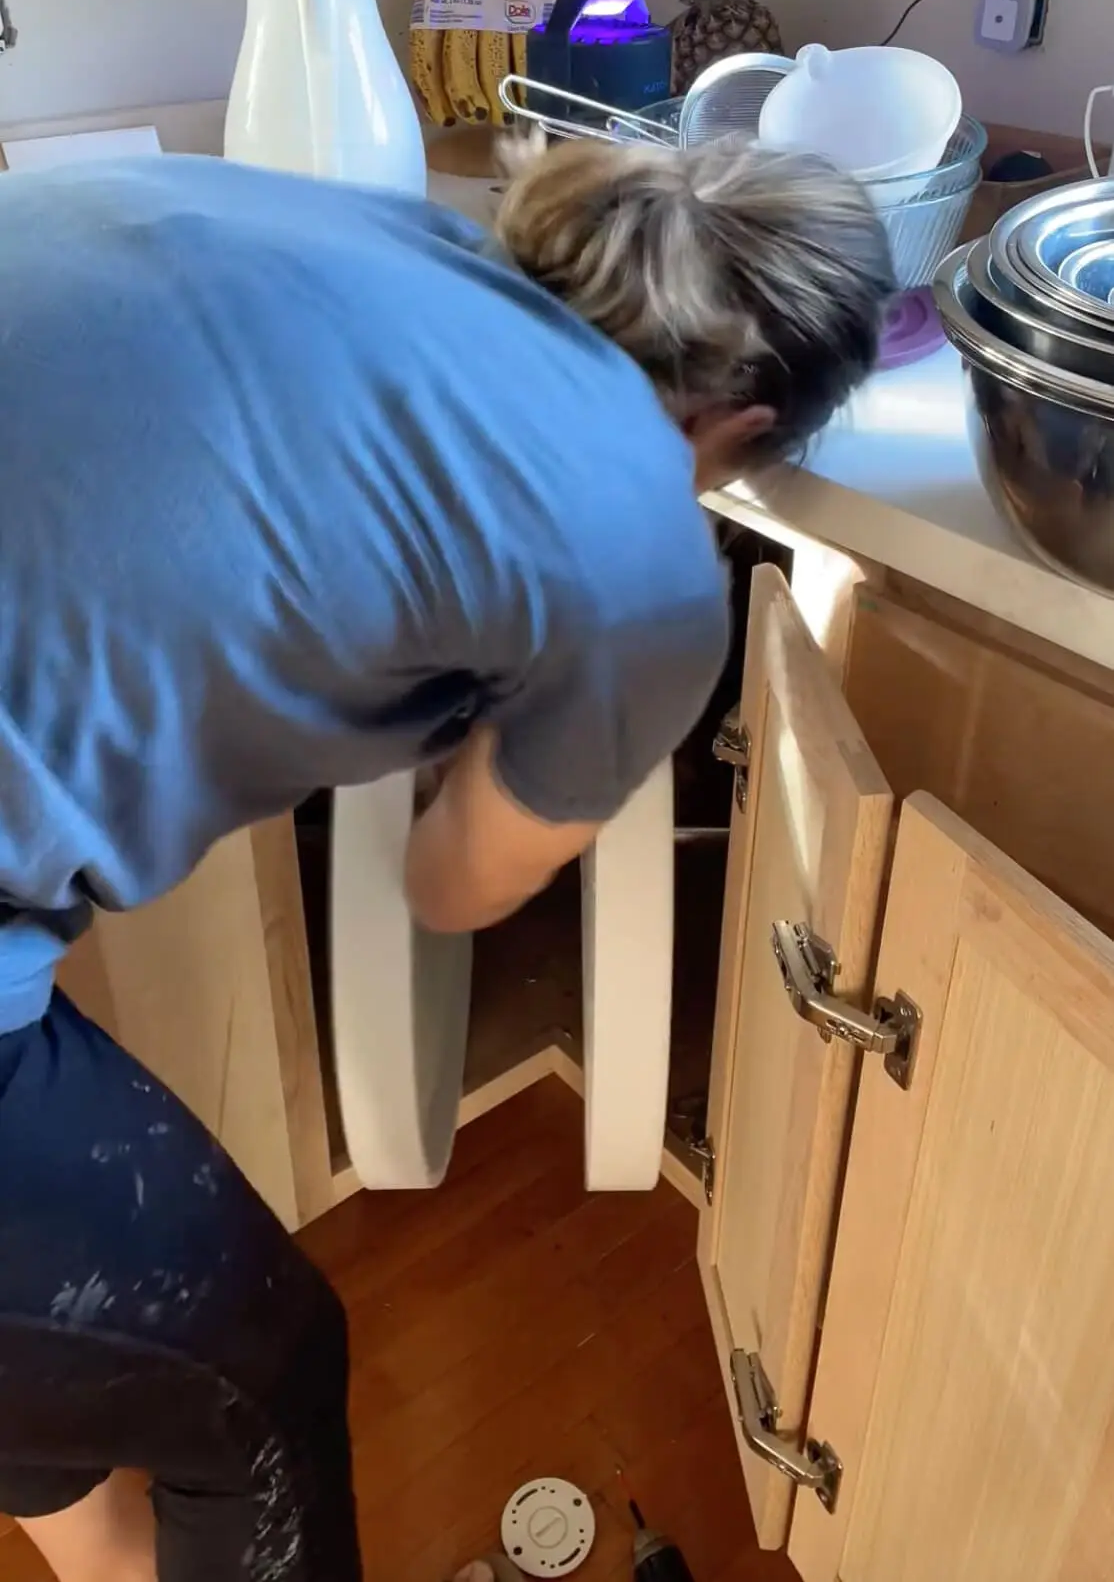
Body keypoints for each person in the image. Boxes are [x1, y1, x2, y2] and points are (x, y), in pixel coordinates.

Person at [0, 133, 894, 1582]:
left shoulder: (364, 231)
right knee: (266, 1373)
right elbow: (448, 884)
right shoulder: (641, 576)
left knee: (61, 1336)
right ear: (744, 419)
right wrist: (504, 739)